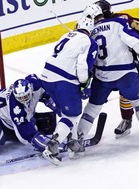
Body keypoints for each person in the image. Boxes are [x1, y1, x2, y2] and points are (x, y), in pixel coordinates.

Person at [78, 4, 139, 145]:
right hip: (126, 73)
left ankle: (78, 139)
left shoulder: (89, 33)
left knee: (92, 108)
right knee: (138, 101)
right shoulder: (118, 22)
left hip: (102, 77)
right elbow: (135, 43)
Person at [38, 16, 98, 164]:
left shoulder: (66, 35)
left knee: (67, 113)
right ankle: (52, 146)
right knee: (73, 114)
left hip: (46, 76)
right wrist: (84, 84)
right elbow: (83, 66)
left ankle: (73, 144)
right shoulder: (90, 42)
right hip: (63, 80)